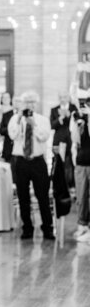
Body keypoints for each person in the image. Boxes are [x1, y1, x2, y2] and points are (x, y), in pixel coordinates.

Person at [8, 91, 54, 240]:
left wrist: (33, 125)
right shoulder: (15, 118)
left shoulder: (42, 119)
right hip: (20, 161)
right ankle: (27, 228)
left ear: (36, 104)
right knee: (23, 196)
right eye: (27, 102)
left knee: (43, 196)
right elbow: (12, 136)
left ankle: (47, 228)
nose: (30, 105)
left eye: (32, 102)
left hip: (38, 161)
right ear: (22, 104)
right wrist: (19, 120)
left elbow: (44, 137)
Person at [70, 98, 90, 241]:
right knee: (81, 196)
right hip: (81, 162)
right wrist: (76, 124)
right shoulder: (80, 119)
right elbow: (75, 140)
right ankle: (82, 225)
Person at [50, 90, 77, 187]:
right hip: (59, 139)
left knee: (73, 161)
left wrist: (70, 117)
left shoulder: (74, 108)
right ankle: (59, 184)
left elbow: (78, 123)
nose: (63, 99)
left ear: (68, 97)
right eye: (60, 97)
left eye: (65, 97)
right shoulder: (54, 109)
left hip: (72, 139)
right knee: (58, 162)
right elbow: (52, 125)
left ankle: (72, 184)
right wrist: (59, 118)